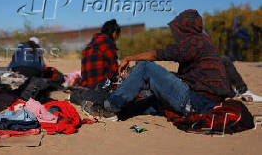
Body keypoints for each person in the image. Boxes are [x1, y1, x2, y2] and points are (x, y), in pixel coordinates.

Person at [88, 10, 233, 118]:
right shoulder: (205, 41)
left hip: (195, 102)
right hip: (207, 105)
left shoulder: (193, 42)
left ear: (184, 28)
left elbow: (159, 54)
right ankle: (120, 111)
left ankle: (110, 107)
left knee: (145, 67)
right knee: (152, 101)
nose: (176, 35)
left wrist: (129, 58)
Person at [80, 19, 120, 88]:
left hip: (86, 86)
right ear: (114, 33)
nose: (117, 38)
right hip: (101, 86)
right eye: (118, 35)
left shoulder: (91, 44)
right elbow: (114, 70)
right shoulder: (108, 43)